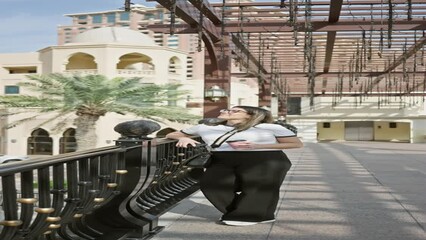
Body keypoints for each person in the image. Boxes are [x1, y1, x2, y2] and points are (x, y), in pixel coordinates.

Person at [166, 106, 303, 226]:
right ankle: (252, 213)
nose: (227, 111)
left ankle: (246, 216)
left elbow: (296, 144)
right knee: (211, 185)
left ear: (250, 115)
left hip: (265, 158)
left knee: (256, 188)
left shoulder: (270, 127)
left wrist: (257, 146)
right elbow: (172, 133)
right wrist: (182, 137)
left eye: (235, 110)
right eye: (226, 109)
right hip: (222, 158)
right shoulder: (205, 127)